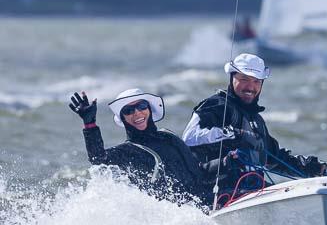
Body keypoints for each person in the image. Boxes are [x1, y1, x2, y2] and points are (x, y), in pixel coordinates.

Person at [182, 53, 327, 192]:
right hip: (217, 196)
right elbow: (189, 138)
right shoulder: (216, 106)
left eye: (256, 81)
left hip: (252, 194)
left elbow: (276, 159)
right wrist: (231, 135)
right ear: (232, 78)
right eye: (244, 79)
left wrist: (319, 169)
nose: (250, 87)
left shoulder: (256, 120)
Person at [69, 88, 229, 207]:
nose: (137, 113)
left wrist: (226, 162)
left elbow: (198, 170)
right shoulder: (127, 151)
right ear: (123, 118)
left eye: (141, 106)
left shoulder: (169, 137)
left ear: (149, 109)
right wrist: (89, 124)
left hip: (207, 203)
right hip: (181, 217)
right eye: (128, 110)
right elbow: (98, 158)